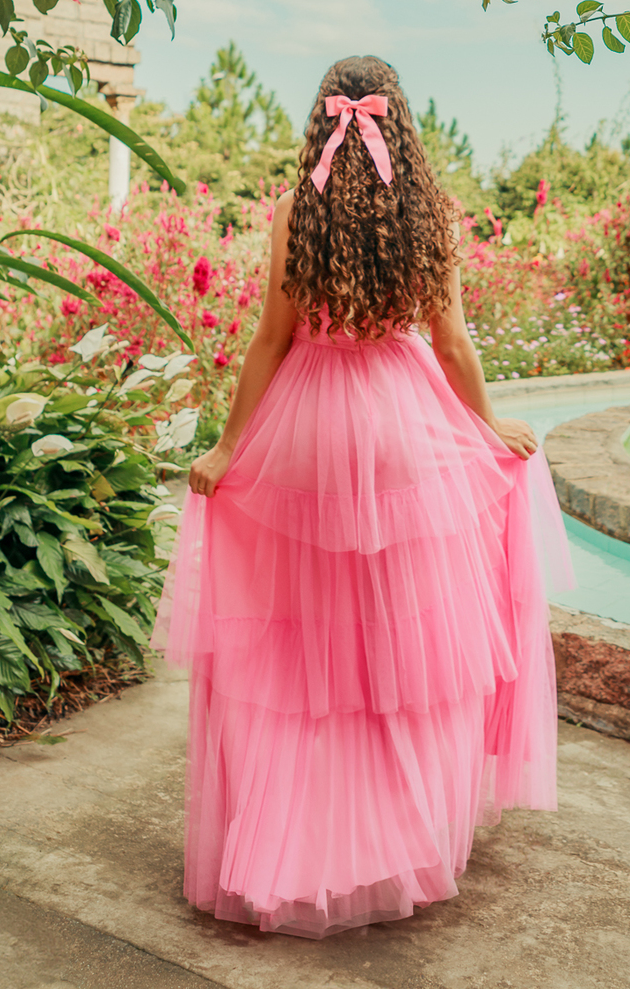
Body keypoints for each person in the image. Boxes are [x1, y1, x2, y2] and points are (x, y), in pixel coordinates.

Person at [152, 55, 572, 938]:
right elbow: (453, 343)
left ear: (321, 123)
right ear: (403, 128)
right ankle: (400, 834)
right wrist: (487, 426)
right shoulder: (427, 214)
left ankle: (297, 840)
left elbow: (269, 339)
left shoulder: (295, 211)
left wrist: (230, 448)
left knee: (303, 653)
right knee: (401, 650)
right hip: (401, 425)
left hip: (307, 430)